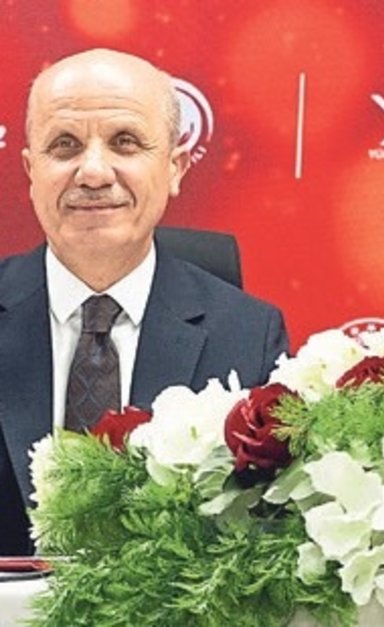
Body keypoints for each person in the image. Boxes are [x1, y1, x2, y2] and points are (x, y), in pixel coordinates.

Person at [0, 49, 288, 555]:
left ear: (175, 167)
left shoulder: (248, 338)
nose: (92, 173)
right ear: (31, 171)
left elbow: (264, 539)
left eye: (125, 142)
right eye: (65, 146)